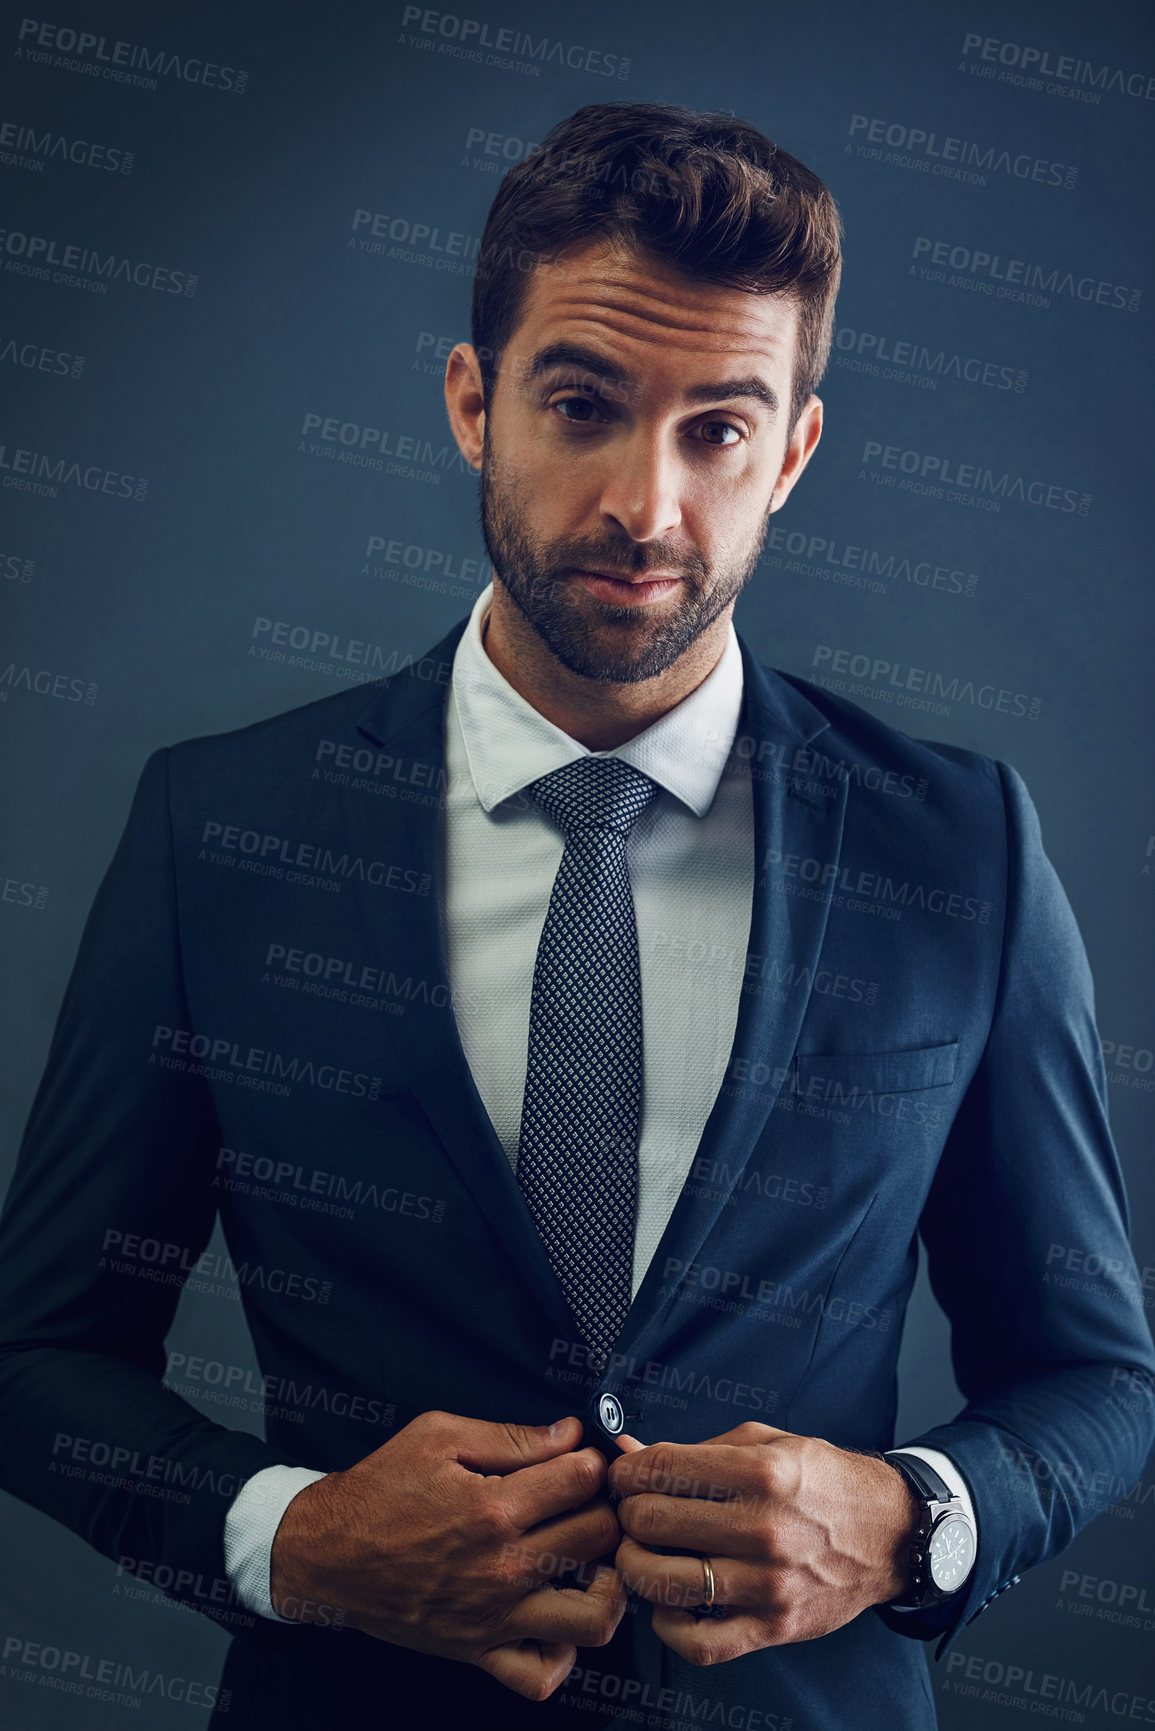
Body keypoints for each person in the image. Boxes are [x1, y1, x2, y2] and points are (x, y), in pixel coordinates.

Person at [0, 102, 1151, 1731]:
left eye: (719, 430)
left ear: (796, 451)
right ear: (475, 401)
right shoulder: (224, 830)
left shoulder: (960, 849)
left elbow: (1098, 1377)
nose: (648, 506)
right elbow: (38, 1354)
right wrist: (299, 1540)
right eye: (584, 404)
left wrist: (913, 1521)